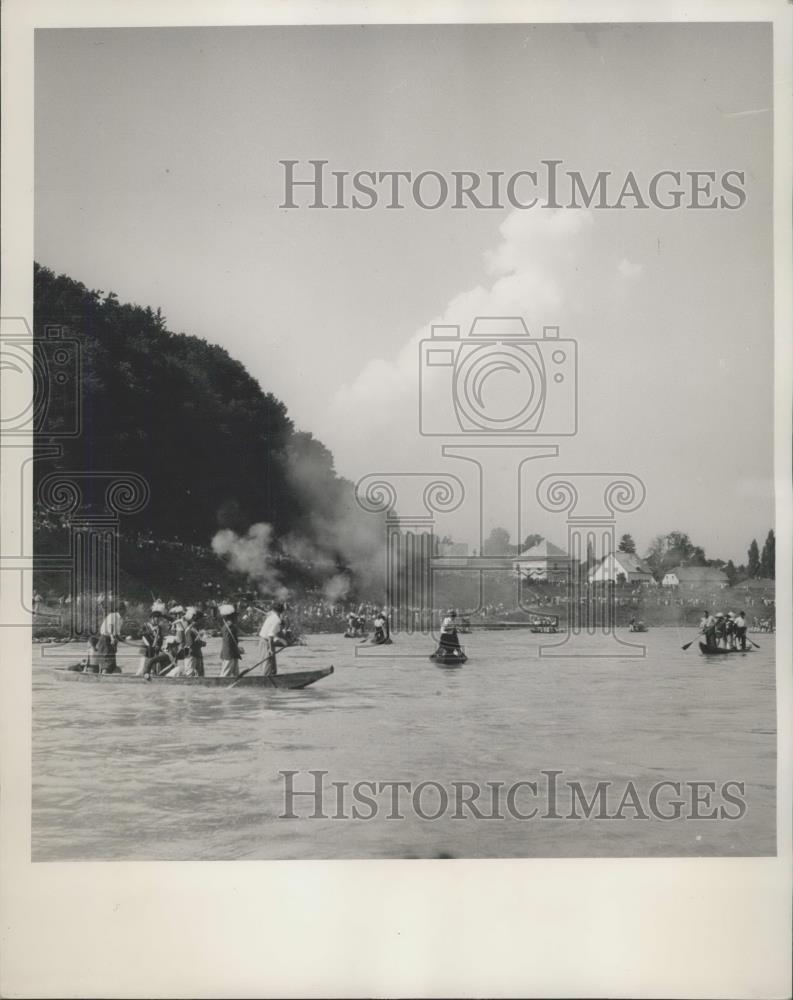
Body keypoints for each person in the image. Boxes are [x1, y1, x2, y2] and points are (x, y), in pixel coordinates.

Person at [135, 601, 172, 677]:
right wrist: (149, 633)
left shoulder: (159, 628)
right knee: (142, 668)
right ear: (152, 618)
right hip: (146, 650)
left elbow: (160, 639)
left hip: (155, 651)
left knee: (153, 669)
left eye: (159, 618)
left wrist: (159, 644)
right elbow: (139, 634)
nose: (158, 620)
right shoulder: (146, 625)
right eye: (156, 618)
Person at [96, 601, 127, 673]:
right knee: (106, 659)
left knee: (112, 661)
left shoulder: (121, 619)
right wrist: (112, 638)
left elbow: (117, 633)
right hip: (105, 639)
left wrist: (118, 640)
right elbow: (111, 627)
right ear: (120, 610)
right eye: (124, 610)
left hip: (112, 640)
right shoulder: (112, 616)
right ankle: (104, 674)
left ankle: (110, 672)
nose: (125, 612)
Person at [259, 601, 285, 677]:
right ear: (281, 611)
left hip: (265, 640)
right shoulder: (276, 619)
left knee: (271, 663)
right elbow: (270, 636)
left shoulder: (271, 616)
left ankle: (271, 675)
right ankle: (266, 678)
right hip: (266, 641)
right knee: (267, 662)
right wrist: (270, 649)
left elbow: (275, 633)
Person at [219, 603, 243, 677]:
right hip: (229, 654)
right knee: (225, 673)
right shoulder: (228, 628)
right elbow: (228, 642)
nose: (237, 618)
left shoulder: (230, 627)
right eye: (235, 617)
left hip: (233, 653)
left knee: (236, 673)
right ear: (231, 618)